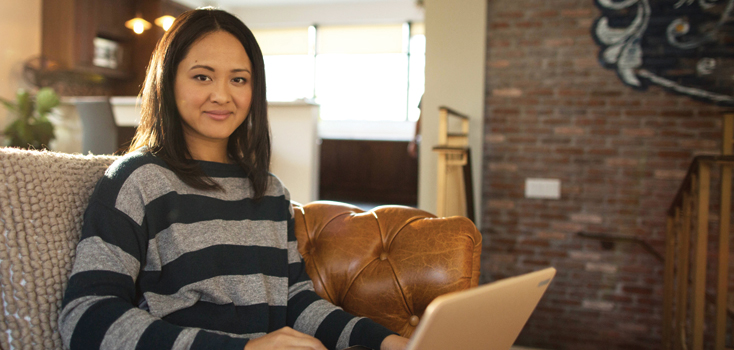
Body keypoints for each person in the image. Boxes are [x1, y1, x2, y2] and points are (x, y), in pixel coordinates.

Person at [58, 8, 409, 350]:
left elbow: (296, 301)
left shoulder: (270, 192)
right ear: (168, 81)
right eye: (202, 76)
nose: (222, 95)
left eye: (238, 79)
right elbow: (86, 315)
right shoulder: (137, 182)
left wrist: (386, 341)